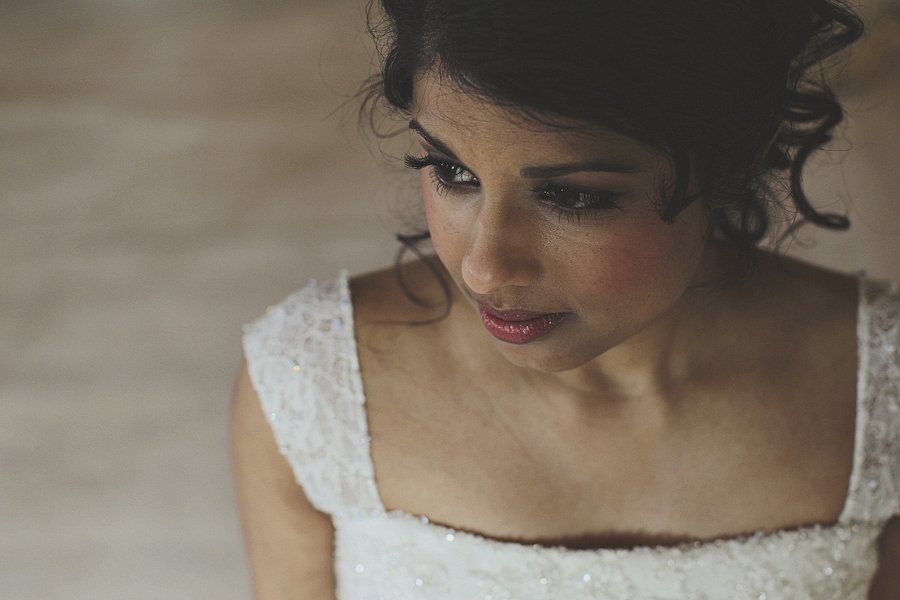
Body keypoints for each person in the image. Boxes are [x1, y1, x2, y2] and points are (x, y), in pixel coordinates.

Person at [230, 0, 900, 597]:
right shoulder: (315, 388)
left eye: (574, 196)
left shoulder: (878, 396)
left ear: (733, 153)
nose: (487, 268)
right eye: (452, 171)